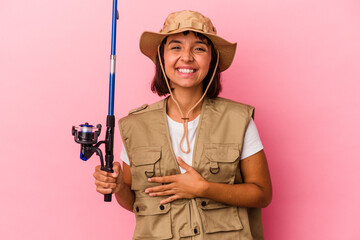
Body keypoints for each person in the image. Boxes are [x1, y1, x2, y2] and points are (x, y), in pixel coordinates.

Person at [93, 10, 272, 240]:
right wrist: (118, 187)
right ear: (162, 57)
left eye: (199, 48)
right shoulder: (135, 126)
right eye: (176, 47)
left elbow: (262, 194)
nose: (186, 57)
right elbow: (137, 203)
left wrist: (204, 188)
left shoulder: (238, 119)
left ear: (212, 59)